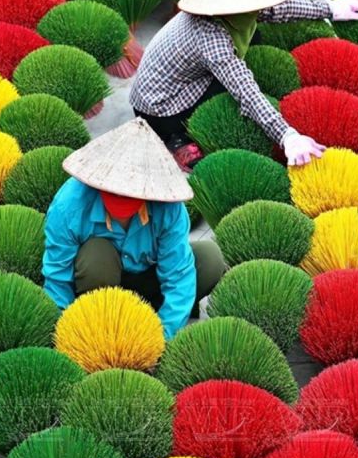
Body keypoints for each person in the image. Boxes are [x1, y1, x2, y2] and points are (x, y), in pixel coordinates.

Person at [130, 0, 358, 171]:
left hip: (187, 76)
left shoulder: (238, 7)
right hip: (160, 105)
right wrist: (287, 136)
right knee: (226, 98)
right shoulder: (210, 37)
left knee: (254, 38)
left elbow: (280, 8)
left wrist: (331, 8)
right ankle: (174, 138)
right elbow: (246, 92)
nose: (259, 7)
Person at [42, 117, 226, 340]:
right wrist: (68, 331)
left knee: (209, 259)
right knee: (97, 253)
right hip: (99, 286)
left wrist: (160, 337)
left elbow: (178, 276)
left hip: (149, 281)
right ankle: (102, 322)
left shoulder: (169, 208)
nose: (122, 197)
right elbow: (58, 277)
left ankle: (147, 316)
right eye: (115, 192)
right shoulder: (70, 204)